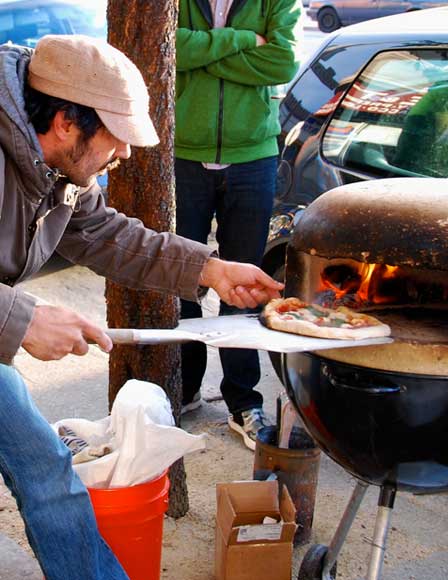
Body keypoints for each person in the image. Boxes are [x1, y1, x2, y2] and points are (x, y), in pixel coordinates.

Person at [0, 34, 283, 580]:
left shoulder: (61, 166)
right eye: (117, 135)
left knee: (47, 472)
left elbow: (105, 235)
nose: (126, 153)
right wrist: (23, 318)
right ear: (65, 122)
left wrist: (210, 269)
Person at [174, 0, 301, 450]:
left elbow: (282, 62)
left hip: (253, 156)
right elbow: (174, 51)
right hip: (184, 152)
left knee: (245, 283)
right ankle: (184, 388)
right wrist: (245, 40)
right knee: (183, 277)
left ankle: (243, 400)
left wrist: (204, 54)